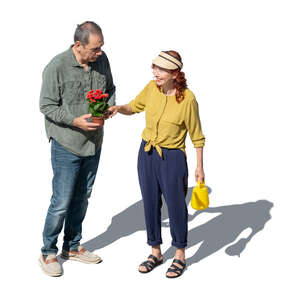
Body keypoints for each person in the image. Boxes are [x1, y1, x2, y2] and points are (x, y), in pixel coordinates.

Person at [108, 50, 205, 278]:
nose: (155, 72)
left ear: (174, 72)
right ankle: (156, 252)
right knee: (150, 203)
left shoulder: (188, 99)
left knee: (176, 207)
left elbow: (197, 136)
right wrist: (118, 109)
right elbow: (134, 106)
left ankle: (180, 253)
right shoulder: (152, 89)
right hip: (147, 153)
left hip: (172, 158)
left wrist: (200, 167)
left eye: (160, 69)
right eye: (154, 67)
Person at [39, 21, 115, 277]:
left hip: (94, 144)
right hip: (66, 143)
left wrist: (109, 108)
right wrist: (74, 120)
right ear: (79, 45)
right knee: (61, 201)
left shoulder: (102, 62)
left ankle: (71, 247)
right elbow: (47, 106)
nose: (100, 53)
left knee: (83, 197)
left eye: (101, 47)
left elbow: (111, 91)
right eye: (95, 48)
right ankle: (48, 252)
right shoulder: (57, 67)